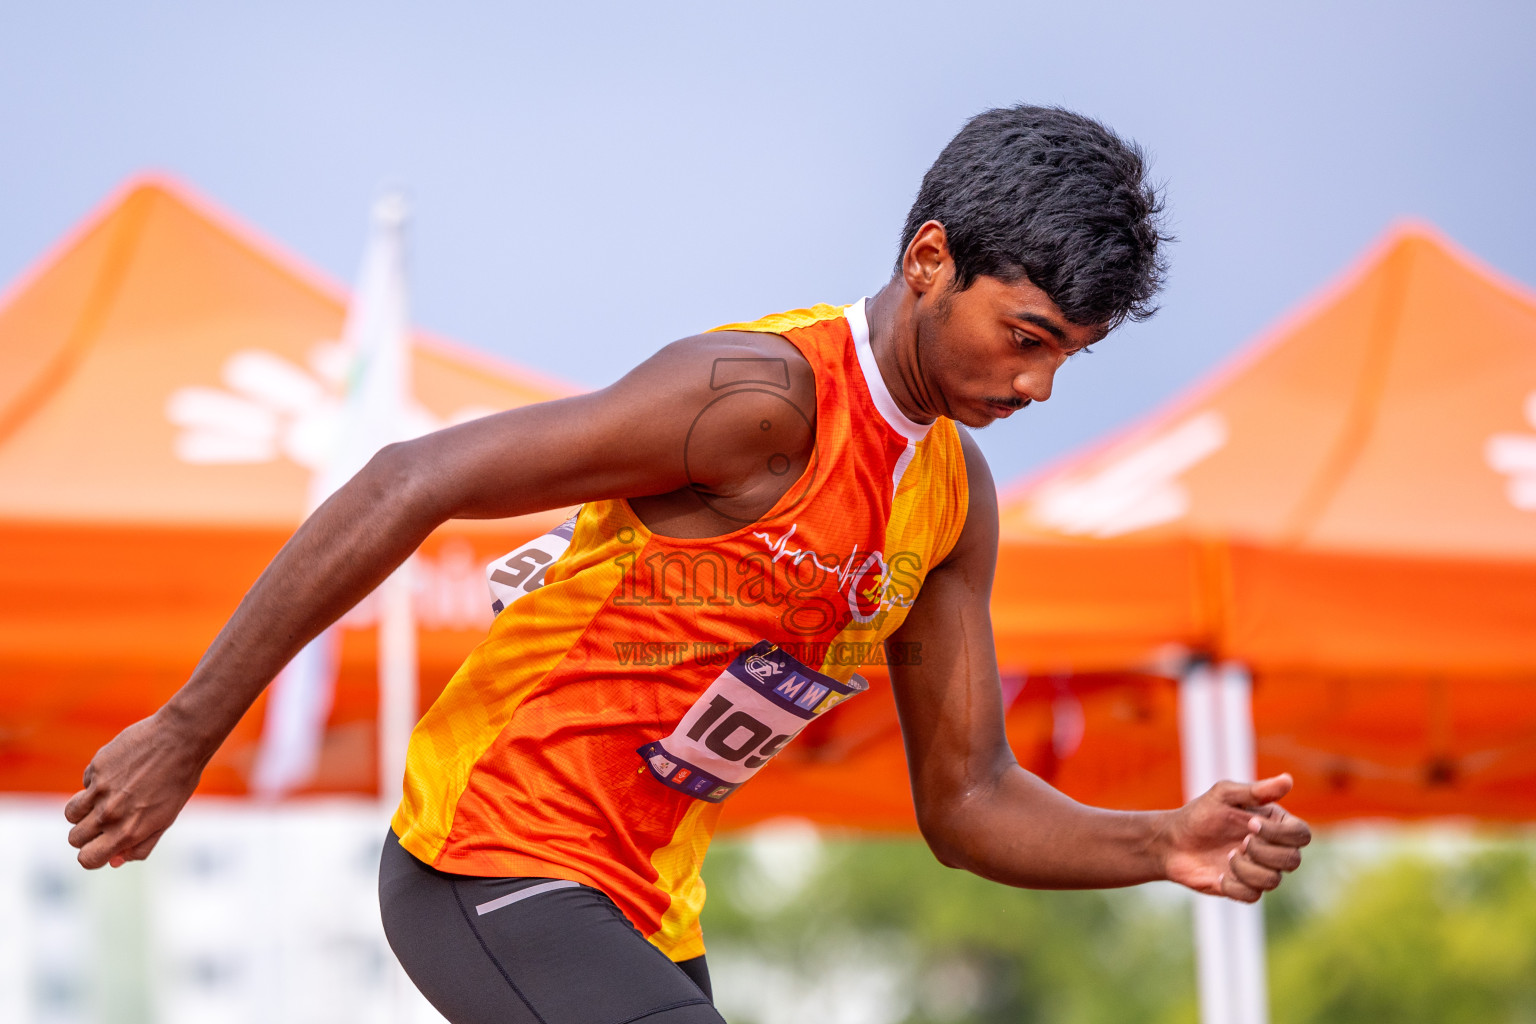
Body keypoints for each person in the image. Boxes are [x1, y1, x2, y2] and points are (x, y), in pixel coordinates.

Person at [65, 105, 1311, 1023]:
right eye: (1025, 336)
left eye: (1066, 358)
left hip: (647, 905)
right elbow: (411, 479)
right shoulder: (757, 398)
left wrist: (1161, 842)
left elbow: (971, 797)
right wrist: (186, 731)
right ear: (930, 259)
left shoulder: (951, 500)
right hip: (491, 853)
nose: (1037, 384)